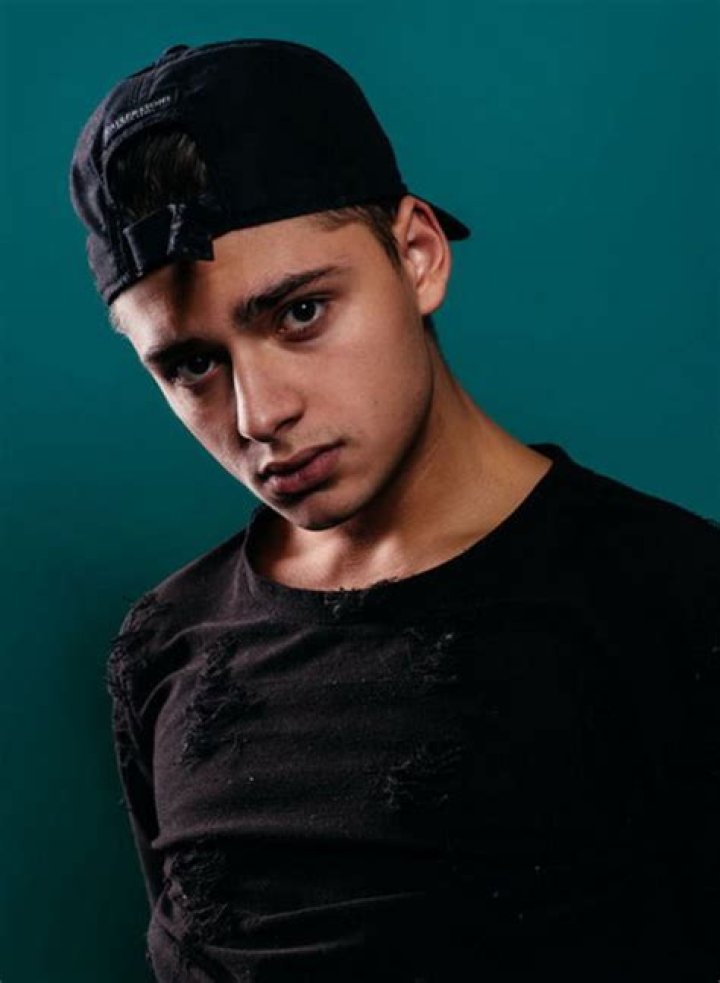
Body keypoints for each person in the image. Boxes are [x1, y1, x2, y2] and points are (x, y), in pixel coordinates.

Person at [69, 38, 719, 982]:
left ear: (417, 256)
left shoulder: (675, 600)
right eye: (192, 364)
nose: (259, 415)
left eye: (299, 313)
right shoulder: (163, 645)